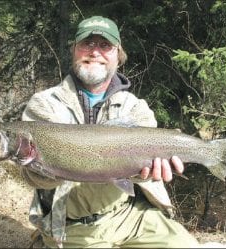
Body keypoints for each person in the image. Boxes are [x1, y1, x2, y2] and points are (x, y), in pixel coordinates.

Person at [21, 16, 200, 248]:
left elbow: (139, 171)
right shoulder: (44, 104)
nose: (95, 52)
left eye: (105, 46)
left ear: (119, 56)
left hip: (130, 216)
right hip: (70, 226)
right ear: (74, 50)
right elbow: (34, 179)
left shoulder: (136, 108)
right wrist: (42, 163)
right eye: (87, 44)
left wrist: (147, 172)